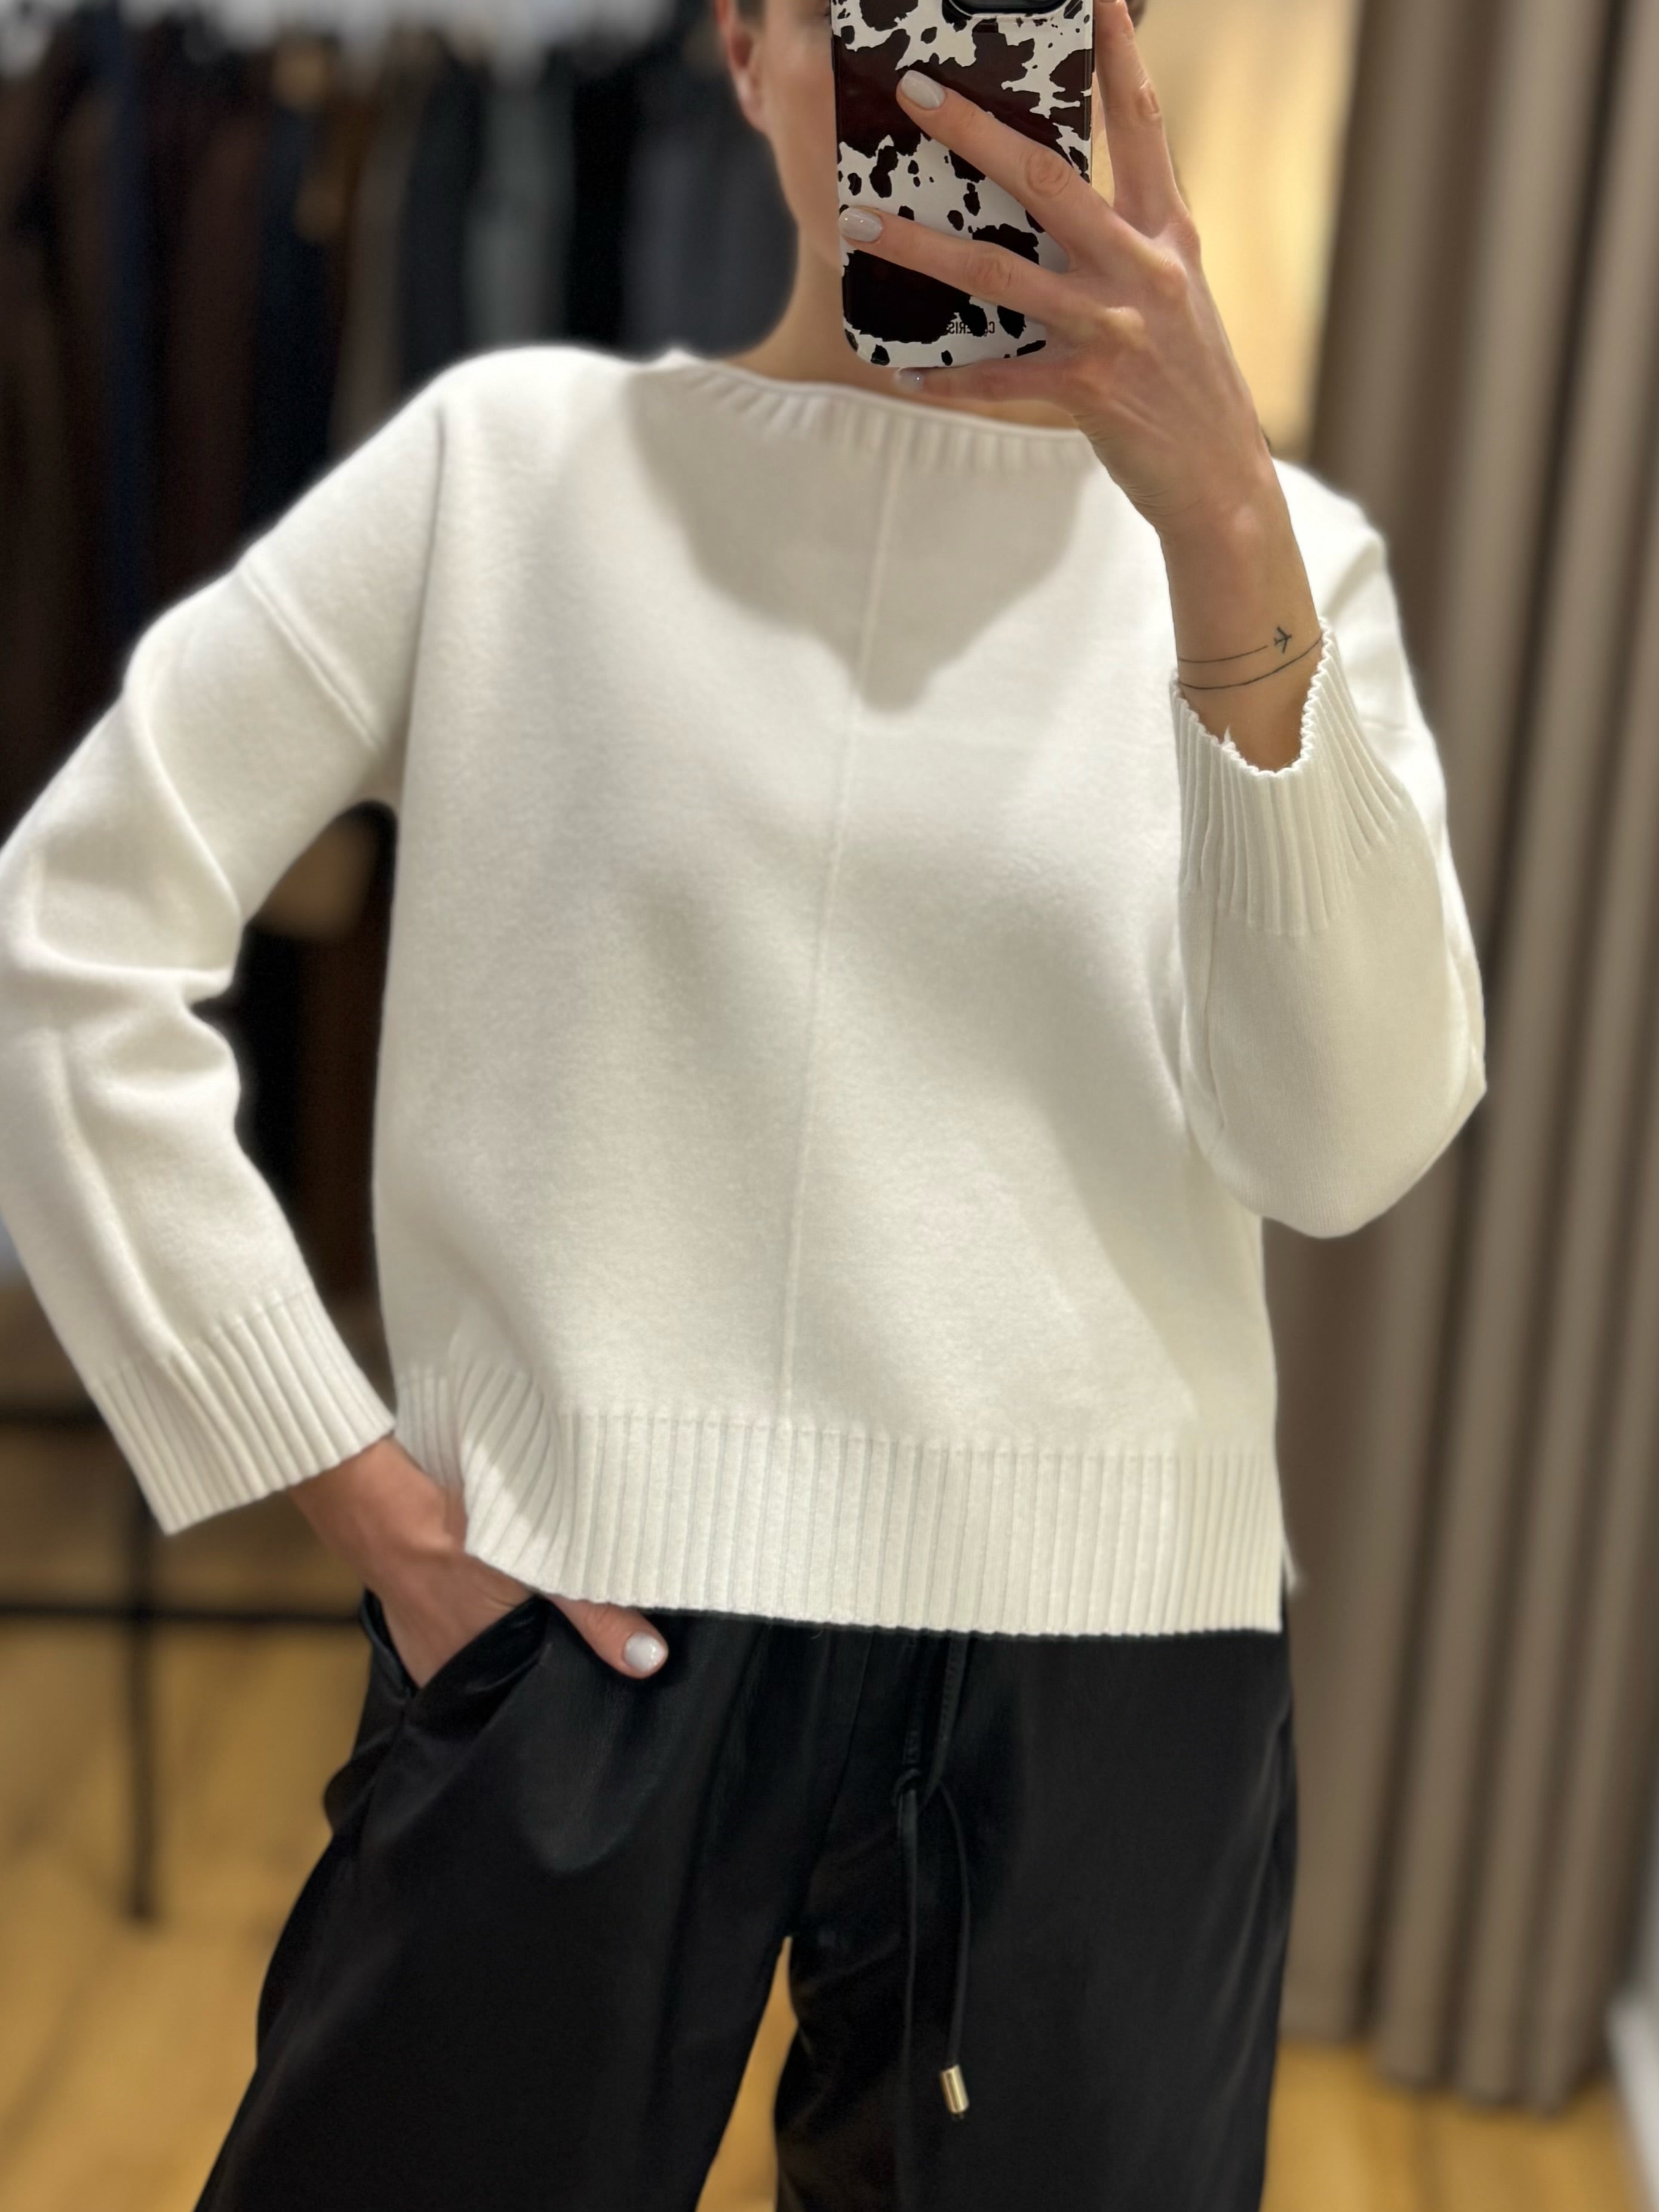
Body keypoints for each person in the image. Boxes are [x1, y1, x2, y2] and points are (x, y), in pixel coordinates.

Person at [0, 0, 1488, 2207]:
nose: (953, 88)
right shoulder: (506, 475)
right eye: (883, 21)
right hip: (577, 1625)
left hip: (1105, 1666)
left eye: (1018, 20)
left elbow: (1347, 1143)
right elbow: (67, 928)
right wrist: (333, 1468)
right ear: (751, 50)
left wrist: (1218, 528)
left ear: (1113, 58)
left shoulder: (1276, 562)